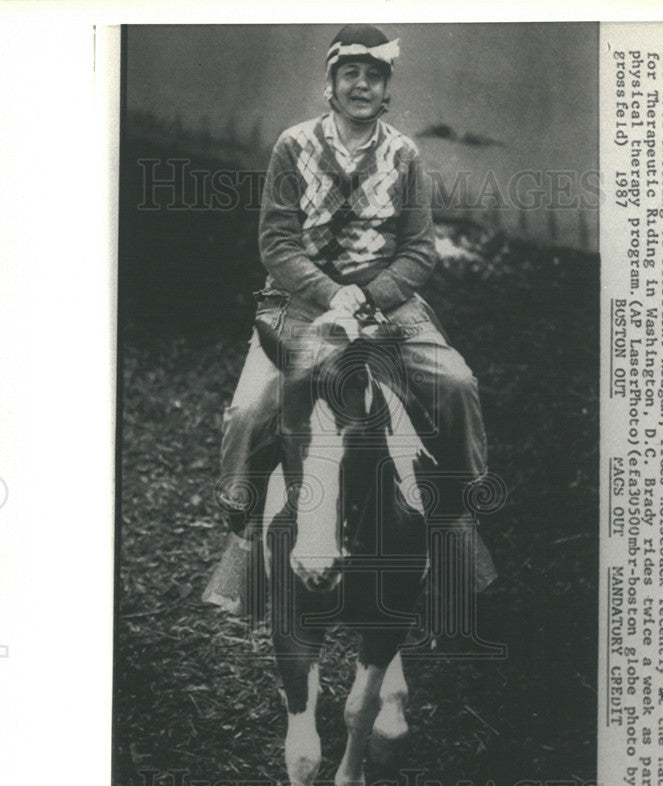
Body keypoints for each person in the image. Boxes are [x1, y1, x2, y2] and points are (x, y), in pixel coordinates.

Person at [204, 24, 495, 613]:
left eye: (375, 75)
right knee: (250, 407)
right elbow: (278, 244)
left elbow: (419, 250)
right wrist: (330, 293)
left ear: (387, 88)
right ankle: (242, 533)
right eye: (350, 74)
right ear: (331, 82)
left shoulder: (404, 154)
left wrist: (371, 295)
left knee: (457, 383)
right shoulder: (293, 145)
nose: (362, 85)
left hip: (387, 302)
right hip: (299, 300)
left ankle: (459, 521)